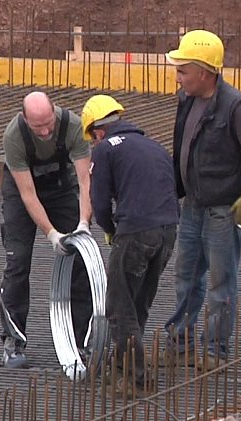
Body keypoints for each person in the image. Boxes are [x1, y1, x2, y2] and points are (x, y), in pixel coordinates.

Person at [162, 30, 241, 370]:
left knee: (222, 283)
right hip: (193, 205)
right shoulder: (188, 100)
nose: (178, 77)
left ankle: (214, 351)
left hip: (224, 209)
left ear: (205, 72)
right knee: (186, 277)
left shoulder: (236, 106)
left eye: (183, 70)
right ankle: (180, 344)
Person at [81, 94, 179, 393]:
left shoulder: (105, 150)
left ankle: (137, 378)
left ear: (98, 131)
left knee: (118, 307)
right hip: (169, 230)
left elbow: (99, 201)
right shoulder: (155, 146)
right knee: (137, 304)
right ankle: (120, 365)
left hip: (136, 230)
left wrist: (110, 230)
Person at [0, 91, 94, 369]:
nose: (46, 130)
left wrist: (84, 224)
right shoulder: (14, 136)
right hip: (22, 192)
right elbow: (28, 195)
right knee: (17, 262)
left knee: (80, 261)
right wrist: (52, 234)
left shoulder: (72, 126)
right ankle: (13, 341)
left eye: (48, 122)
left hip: (62, 188)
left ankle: (80, 342)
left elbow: (86, 182)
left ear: (55, 110)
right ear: (24, 119)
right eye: (38, 126)